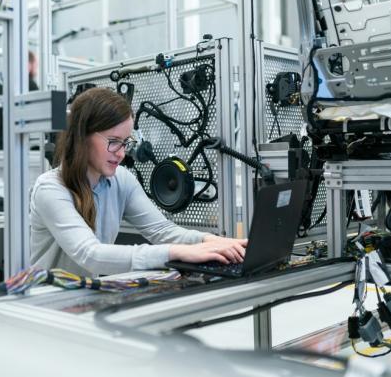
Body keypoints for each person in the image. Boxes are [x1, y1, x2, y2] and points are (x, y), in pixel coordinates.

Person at [30, 87, 247, 277]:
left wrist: (212, 241)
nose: (122, 153)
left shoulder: (120, 179)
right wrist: (176, 252)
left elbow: (162, 231)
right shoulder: (51, 188)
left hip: (85, 297)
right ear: (82, 137)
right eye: (114, 142)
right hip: (48, 305)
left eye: (126, 143)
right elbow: (91, 254)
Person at [0, 51, 39, 150]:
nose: (36, 69)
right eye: (35, 64)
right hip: (15, 148)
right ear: (28, 64)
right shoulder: (29, 84)